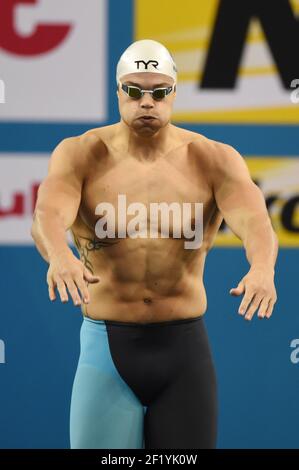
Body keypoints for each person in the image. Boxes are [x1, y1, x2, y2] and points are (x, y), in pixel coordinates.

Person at [31, 39, 278, 449]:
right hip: (106, 351)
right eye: (134, 91)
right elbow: (46, 216)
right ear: (117, 93)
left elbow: (257, 224)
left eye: (159, 92)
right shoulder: (80, 155)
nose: (147, 102)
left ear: (174, 94)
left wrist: (263, 268)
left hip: (184, 354)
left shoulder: (213, 159)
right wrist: (59, 256)